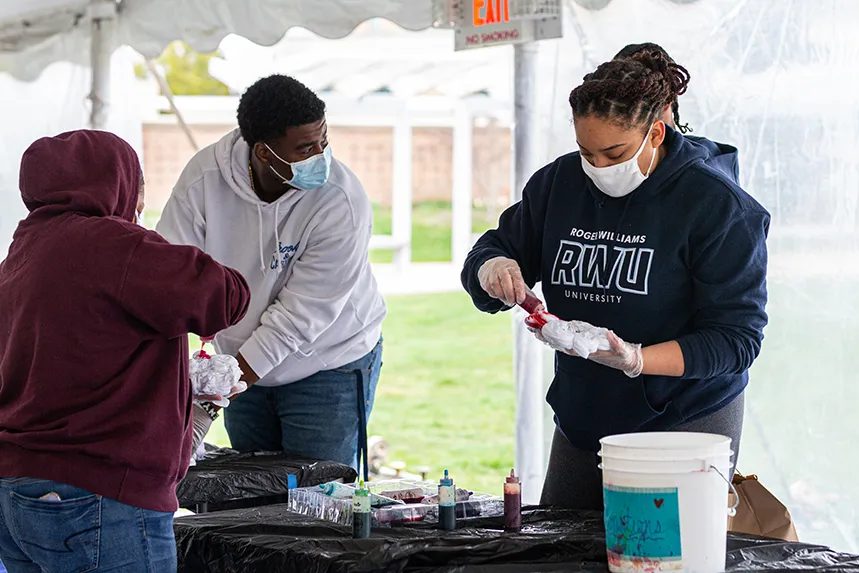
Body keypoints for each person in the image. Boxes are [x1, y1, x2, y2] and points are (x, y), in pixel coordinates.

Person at [461, 50, 769, 510]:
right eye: (587, 152)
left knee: (656, 544)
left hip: (683, 417)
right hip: (584, 411)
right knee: (561, 541)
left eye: (615, 153)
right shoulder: (559, 183)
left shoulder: (718, 206)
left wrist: (636, 358)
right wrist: (492, 267)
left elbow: (736, 340)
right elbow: (495, 248)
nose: (599, 167)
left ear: (656, 132)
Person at [0, 130, 250, 571]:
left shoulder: (21, 252)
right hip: (97, 495)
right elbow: (225, 296)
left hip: (16, 489)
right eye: (138, 188)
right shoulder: (114, 244)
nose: (139, 203)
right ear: (114, 183)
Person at [157, 75, 386, 477]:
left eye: (324, 140)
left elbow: (299, 318)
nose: (322, 156)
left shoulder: (341, 201)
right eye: (306, 148)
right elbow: (169, 275)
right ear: (263, 151)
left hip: (328, 362)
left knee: (318, 496)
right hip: (240, 364)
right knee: (251, 495)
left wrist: (210, 402)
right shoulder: (204, 180)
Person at [614, 42, 740, 183]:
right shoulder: (607, 164)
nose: (613, 110)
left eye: (628, 100)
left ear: (665, 101)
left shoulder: (708, 180)